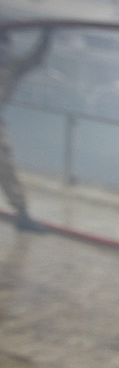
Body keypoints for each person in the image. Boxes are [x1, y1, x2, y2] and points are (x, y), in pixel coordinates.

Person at [0, 28, 52, 231]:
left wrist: (46, 37)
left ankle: (22, 214)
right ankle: (22, 213)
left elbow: (35, 58)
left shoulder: (12, 68)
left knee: (6, 168)